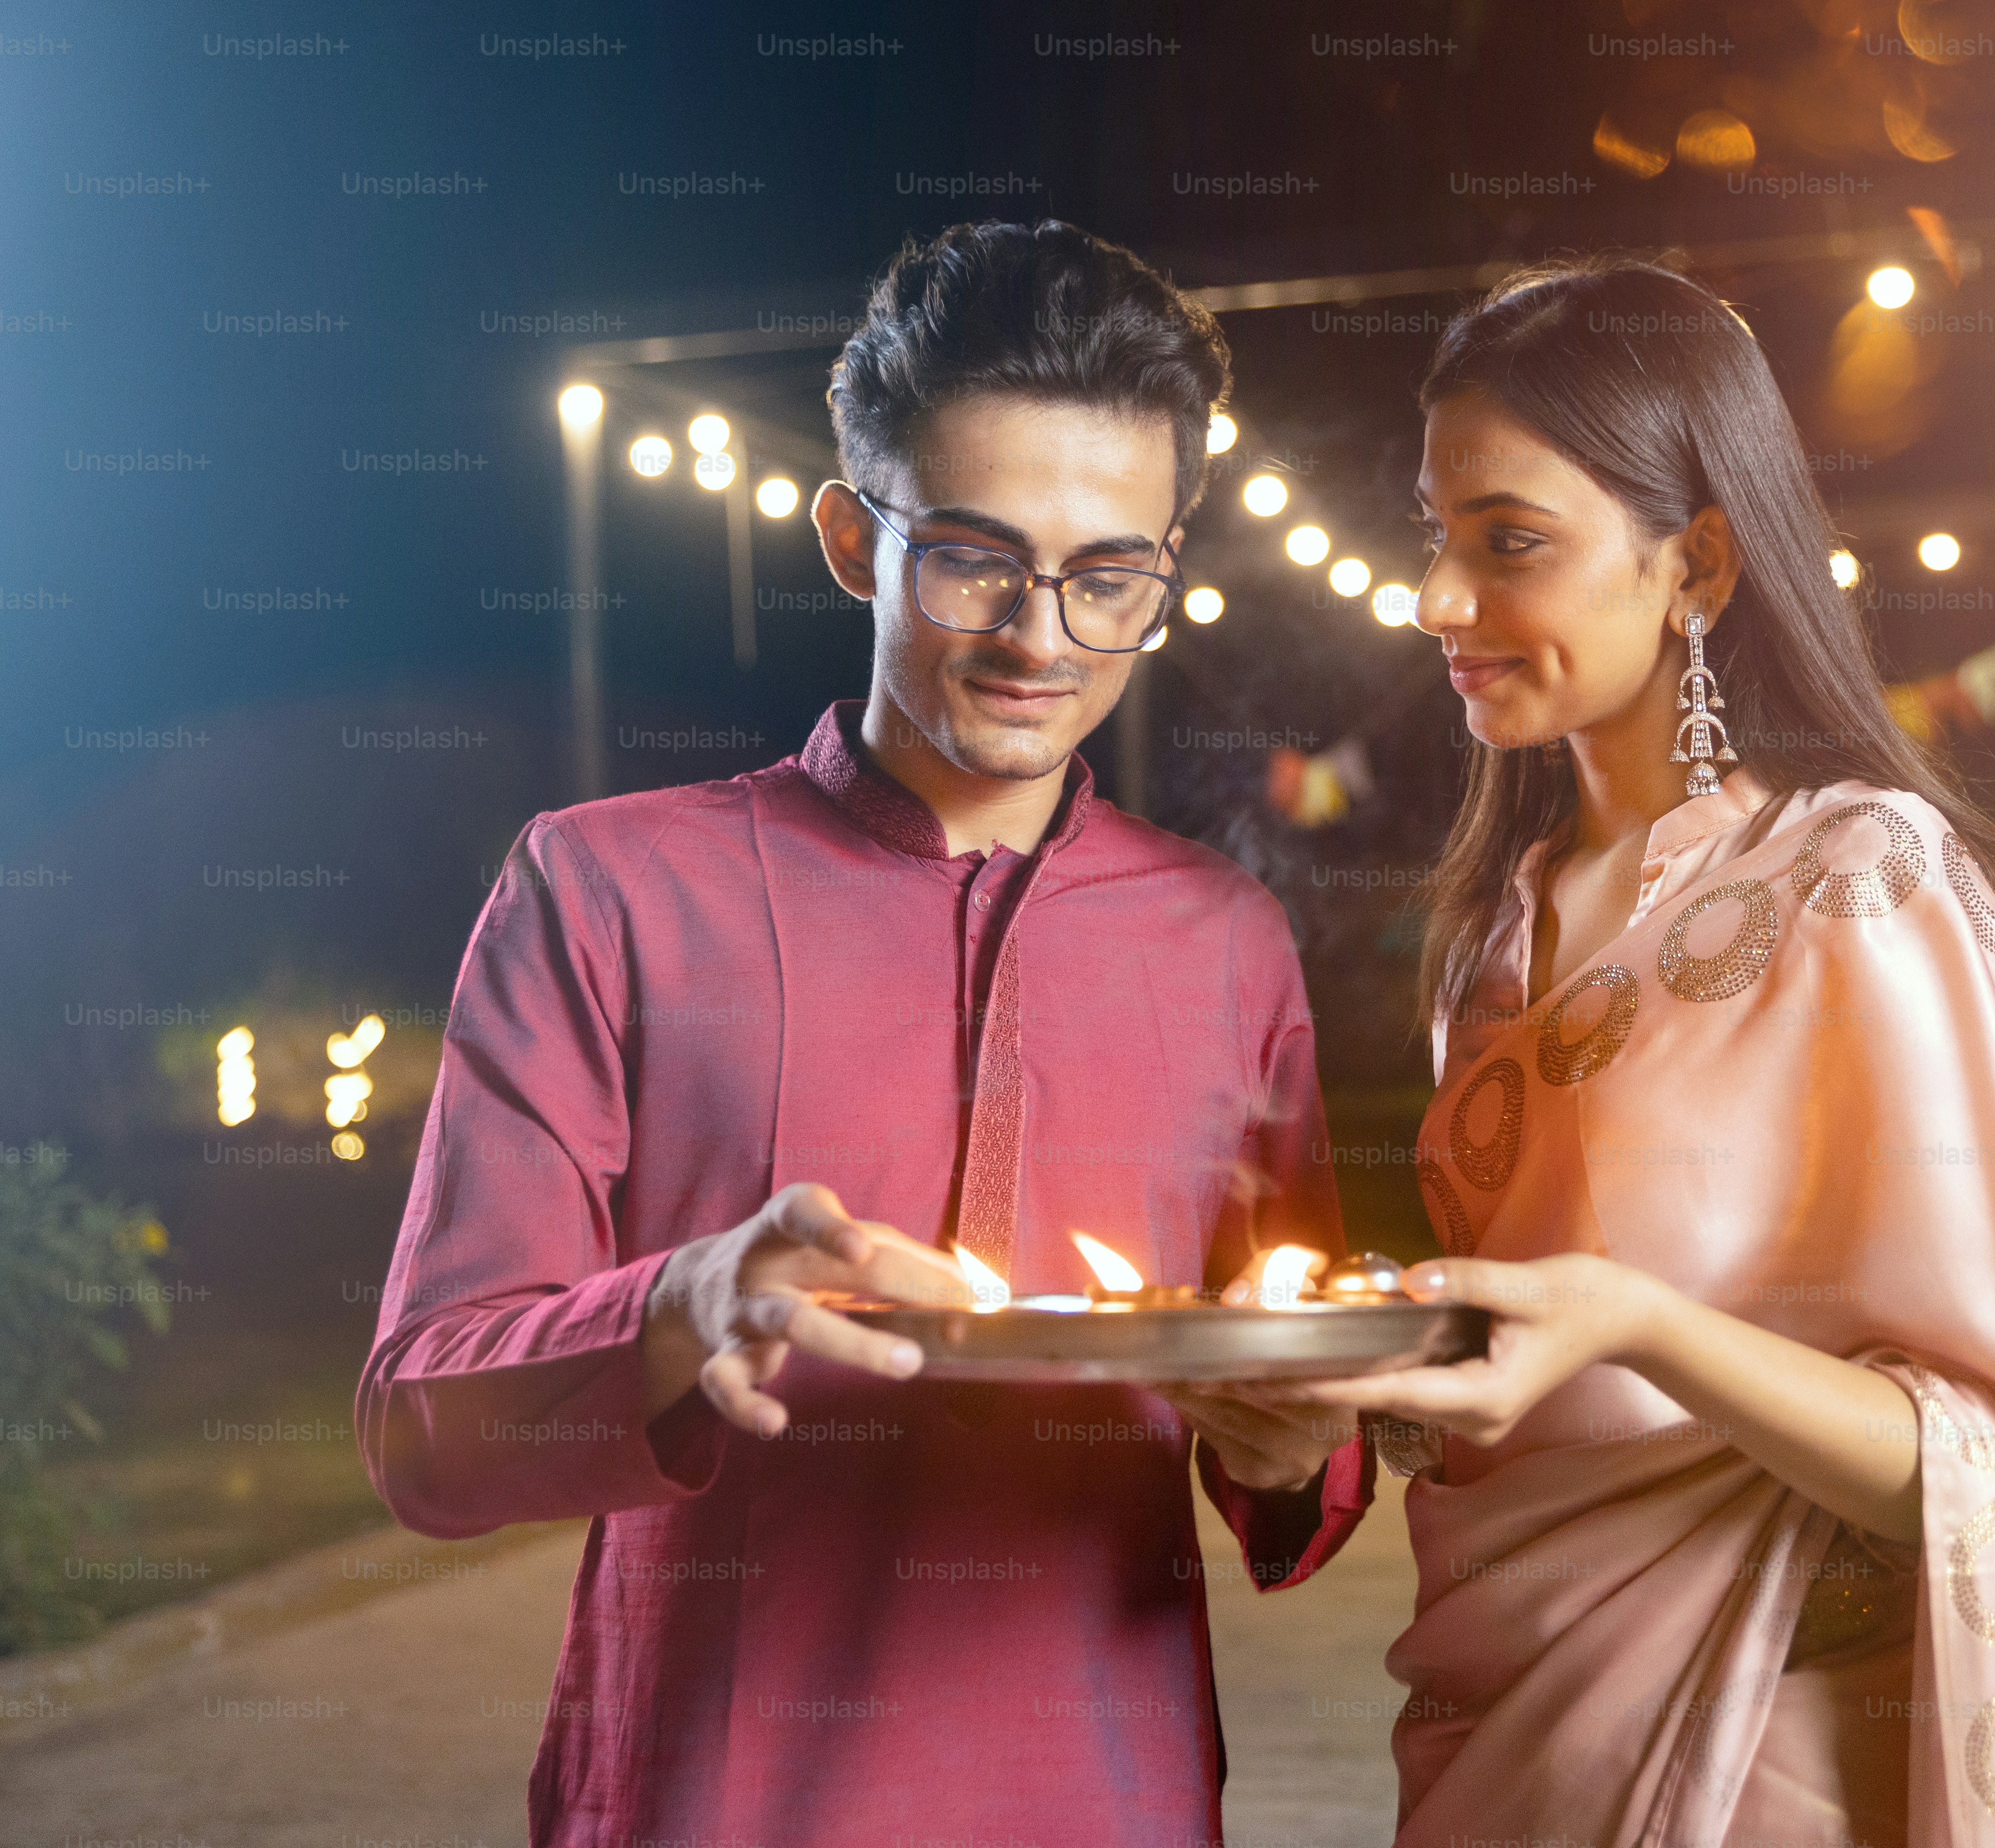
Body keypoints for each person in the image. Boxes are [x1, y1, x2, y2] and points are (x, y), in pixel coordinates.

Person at [355, 220, 1369, 1847]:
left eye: (1109, 577)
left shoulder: (1226, 939)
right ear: (850, 538)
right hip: (711, 1802)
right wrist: (686, 1302)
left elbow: (1297, 1452)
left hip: (1113, 1801)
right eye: (975, 558)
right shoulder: (607, 889)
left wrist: (1297, 1440)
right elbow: (425, 1430)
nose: (1041, 636)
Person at [1258, 259, 1995, 1847]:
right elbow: (1541, 1400)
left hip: (1769, 1750)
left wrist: (1638, 1326)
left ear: (1694, 563)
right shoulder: (1496, 929)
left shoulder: (1856, 882)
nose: (1435, 599)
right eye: (1435, 534)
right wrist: (1349, 1391)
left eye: (1509, 542)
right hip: (1502, 1732)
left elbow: (1979, 1459)